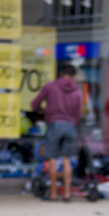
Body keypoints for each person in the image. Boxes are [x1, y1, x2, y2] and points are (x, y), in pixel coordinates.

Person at [32, 64, 82, 202]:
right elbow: (79, 114)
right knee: (67, 161)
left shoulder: (50, 86)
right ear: (74, 76)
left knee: (52, 160)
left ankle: (53, 194)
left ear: (61, 74)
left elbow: (35, 104)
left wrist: (44, 110)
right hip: (70, 126)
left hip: (54, 125)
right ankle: (66, 195)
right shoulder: (77, 91)